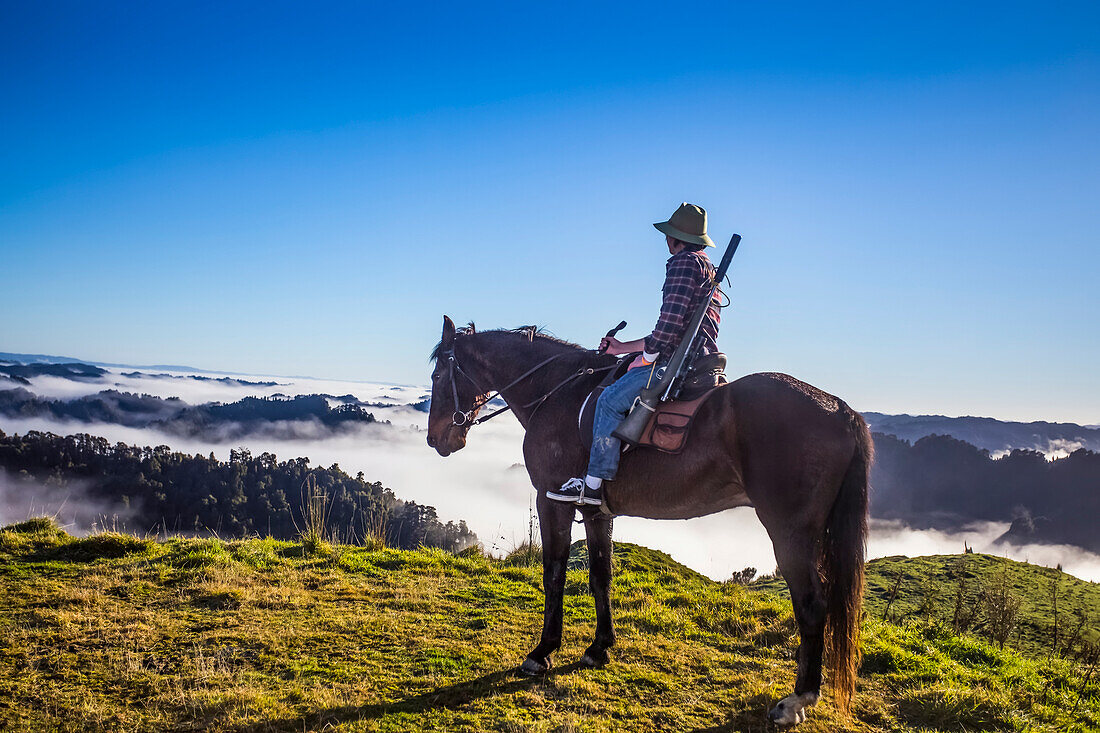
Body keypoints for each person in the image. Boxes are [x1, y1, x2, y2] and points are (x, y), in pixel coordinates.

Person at [547, 202, 722, 506]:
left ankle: (593, 485)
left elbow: (666, 328)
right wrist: (623, 348)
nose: (666, 240)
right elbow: (677, 329)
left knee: (609, 401)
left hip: (678, 363)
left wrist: (647, 358)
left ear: (676, 238)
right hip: (698, 357)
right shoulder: (709, 269)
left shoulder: (683, 264)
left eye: (669, 235)